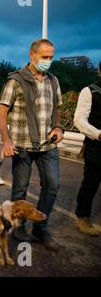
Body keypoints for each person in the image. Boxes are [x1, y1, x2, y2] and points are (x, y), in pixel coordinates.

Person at [0, 39, 64, 251]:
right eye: (45, 57)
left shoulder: (53, 81)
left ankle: (41, 227)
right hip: (23, 145)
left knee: (52, 185)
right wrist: (6, 141)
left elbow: (56, 109)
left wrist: (58, 127)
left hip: (47, 145)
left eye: (51, 57)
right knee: (20, 189)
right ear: (32, 55)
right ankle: (18, 227)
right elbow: (2, 112)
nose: (48, 61)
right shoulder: (16, 81)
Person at [73, 60, 101, 237]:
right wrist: (98, 134)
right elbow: (79, 120)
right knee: (91, 184)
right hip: (96, 146)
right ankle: (82, 218)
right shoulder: (90, 91)